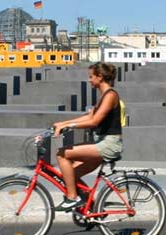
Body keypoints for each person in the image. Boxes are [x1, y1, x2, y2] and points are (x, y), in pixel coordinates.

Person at [51, 62, 123, 211]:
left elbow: (94, 121)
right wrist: (63, 123)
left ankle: (72, 198)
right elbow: (89, 116)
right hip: (101, 142)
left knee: (62, 154)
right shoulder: (104, 95)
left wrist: (68, 126)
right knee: (70, 174)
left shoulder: (110, 95)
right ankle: (91, 206)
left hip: (108, 144)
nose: (89, 80)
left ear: (100, 77)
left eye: (91, 77)